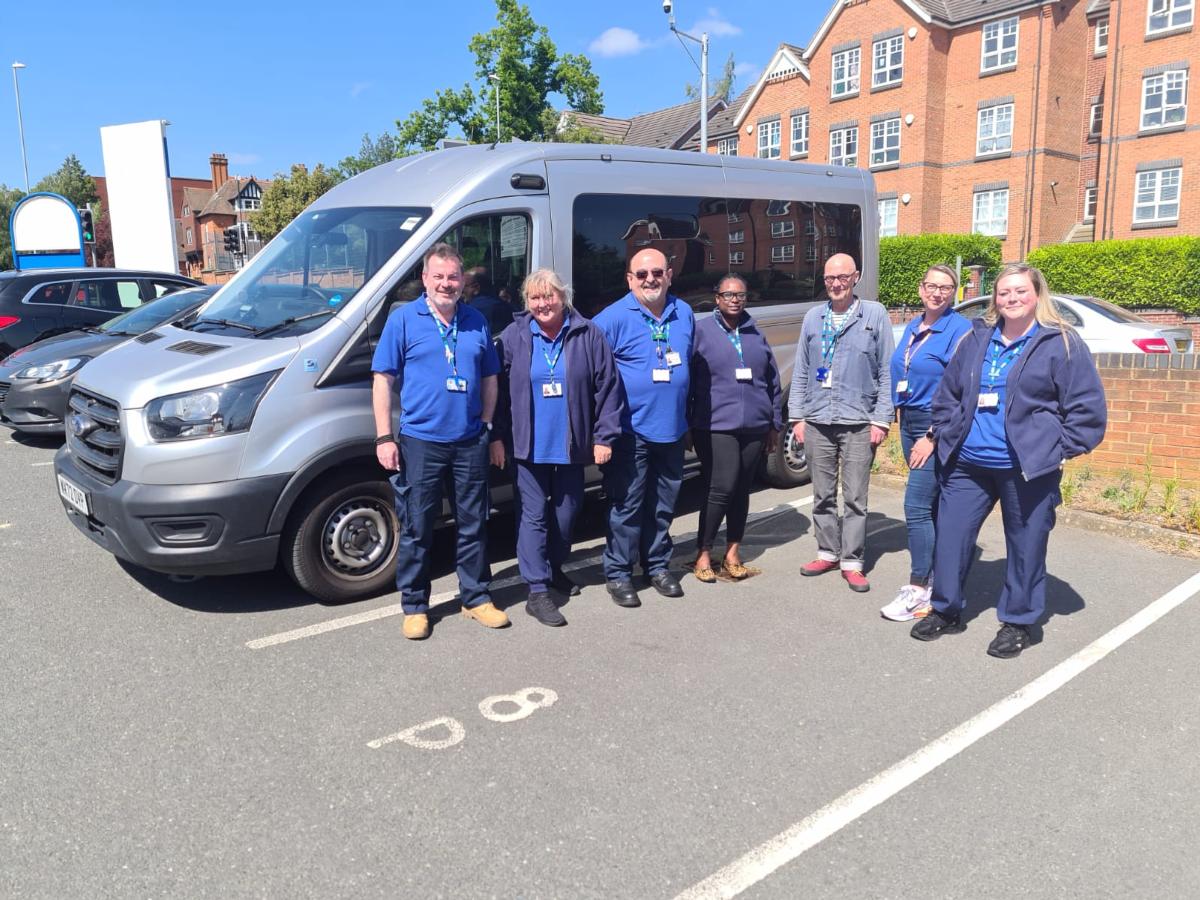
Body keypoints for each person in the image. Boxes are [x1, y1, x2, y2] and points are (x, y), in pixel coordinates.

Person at [911, 264, 1107, 658]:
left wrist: (1053, 449)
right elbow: (948, 394)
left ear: (1037, 295)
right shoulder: (976, 338)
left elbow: (1088, 413)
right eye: (1003, 293)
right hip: (968, 464)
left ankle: (1018, 621)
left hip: (1026, 469)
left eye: (1019, 291)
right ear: (994, 299)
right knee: (951, 540)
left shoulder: (1061, 344)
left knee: (1026, 547)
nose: (1011, 299)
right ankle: (946, 610)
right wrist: (948, 432)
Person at [371, 242, 509, 641]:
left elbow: (489, 378)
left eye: (453, 277)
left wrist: (485, 423)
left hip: (469, 440)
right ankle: (415, 605)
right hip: (421, 441)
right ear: (425, 279)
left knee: (474, 522)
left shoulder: (475, 320)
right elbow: (383, 380)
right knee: (417, 526)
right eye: (439, 277)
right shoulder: (404, 321)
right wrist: (383, 436)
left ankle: (476, 598)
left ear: (463, 280)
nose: (446, 284)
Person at [495, 269, 624, 627]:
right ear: (527, 303)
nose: (542, 304)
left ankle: (551, 568)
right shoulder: (514, 336)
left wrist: (604, 436)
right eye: (535, 298)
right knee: (533, 518)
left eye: (549, 296)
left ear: (563, 297)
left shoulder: (588, 334)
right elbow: (499, 393)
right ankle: (537, 591)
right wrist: (497, 437)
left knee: (566, 517)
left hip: (572, 445)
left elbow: (608, 388)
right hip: (527, 447)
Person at [594, 248, 695, 608]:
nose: (650, 279)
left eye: (656, 272)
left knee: (663, 505)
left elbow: (687, 368)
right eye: (642, 274)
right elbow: (595, 378)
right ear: (630, 279)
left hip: (672, 429)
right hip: (630, 431)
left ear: (669, 274)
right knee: (627, 507)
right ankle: (619, 573)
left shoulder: (683, 313)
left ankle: (657, 566)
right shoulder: (611, 319)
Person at [789, 253, 894, 593]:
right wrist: (797, 417)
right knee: (821, 494)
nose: (836, 284)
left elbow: (887, 370)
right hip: (817, 418)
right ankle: (827, 551)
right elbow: (802, 369)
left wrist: (881, 419)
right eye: (830, 278)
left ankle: (852, 560)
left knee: (854, 497)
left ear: (855, 277)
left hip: (858, 420)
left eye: (843, 277)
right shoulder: (813, 317)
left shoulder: (874, 315)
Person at [879, 265, 972, 622]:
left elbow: (960, 389)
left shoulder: (959, 329)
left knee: (916, 506)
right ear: (921, 289)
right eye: (931, 286)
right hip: (909, 419)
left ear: (954, 293)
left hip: (935, 426)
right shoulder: (914, 326)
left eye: (945, 288)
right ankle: (938, 580)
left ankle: (917, 588)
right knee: (931, 506)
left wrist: (932, 435)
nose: (937, 293)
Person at [688, 275, 782, 583]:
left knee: (742, 488)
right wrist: (685, 423)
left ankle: (732, 552)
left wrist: (774, 423)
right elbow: (686, 381)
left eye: (740, 294)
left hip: (754, 424)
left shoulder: (755, 332)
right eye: (728, 294)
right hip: (715, 424)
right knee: (722, 486)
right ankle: (703, 552)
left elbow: (772, 381)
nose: (734, 299)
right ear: (716, 297)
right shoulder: (700, 332)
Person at [462, 266, 514, 336]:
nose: (461, 291)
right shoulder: (508, 306)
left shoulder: (472, 312)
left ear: (476, 287)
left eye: (463, 286)